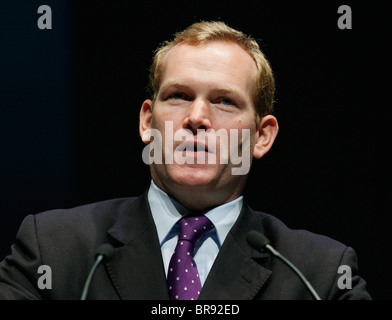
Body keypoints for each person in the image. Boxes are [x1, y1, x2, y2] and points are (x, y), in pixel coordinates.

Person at [0, 21, 371, 300]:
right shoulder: (53, 250)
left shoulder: (320, 274)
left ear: (262, 136)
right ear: (148, 121)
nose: (197, 117)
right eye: (178, 95)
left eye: (225, 101)